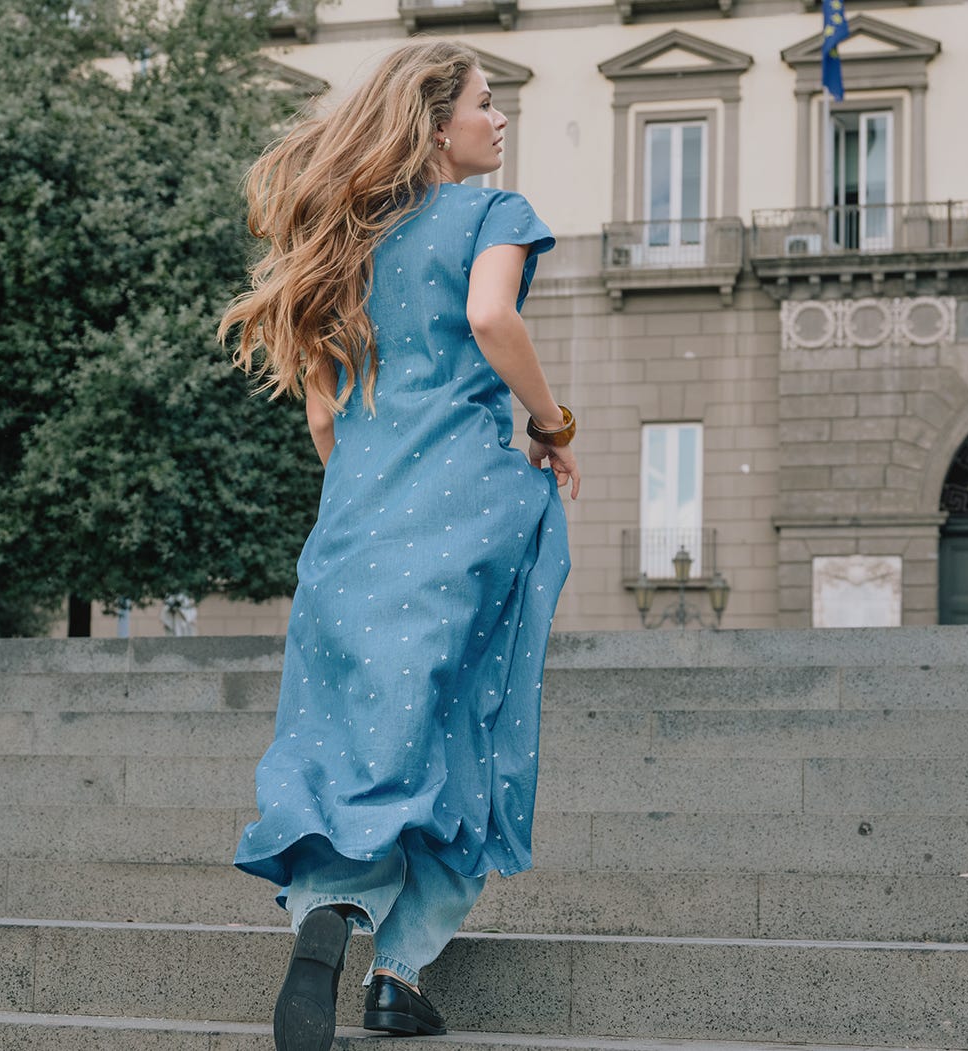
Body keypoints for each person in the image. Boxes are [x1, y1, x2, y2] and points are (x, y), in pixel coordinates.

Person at [216, 39, 579, 1051]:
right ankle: (399, 971)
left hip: (355, 517)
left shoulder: (341, 243)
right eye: (484, 103)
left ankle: (332, 907)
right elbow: (489, 315)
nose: (498, 119)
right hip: (465, 505)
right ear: (434, 123)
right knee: (468, 718)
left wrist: (372, 482)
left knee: (345, 727)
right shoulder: (492, 214)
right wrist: (552, 424)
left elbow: (321, 417)